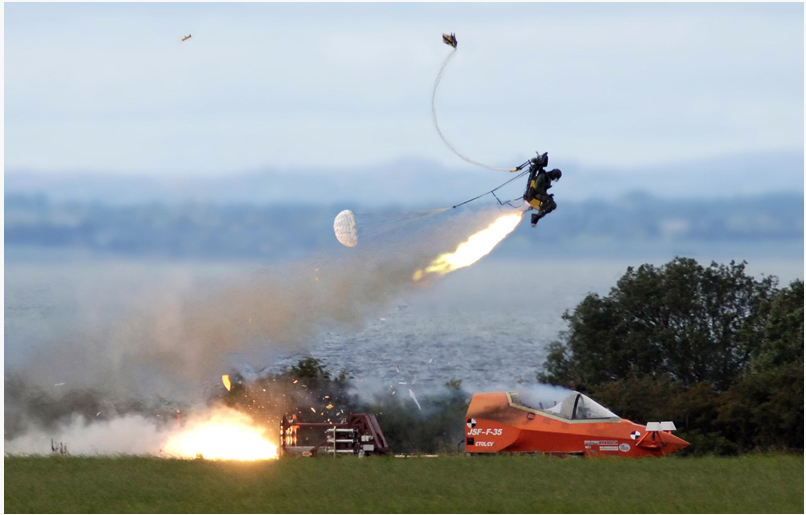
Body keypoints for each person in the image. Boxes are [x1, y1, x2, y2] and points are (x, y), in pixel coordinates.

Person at [521, 152, 562, 227]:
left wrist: (547, 196)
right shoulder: (543, 176)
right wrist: (546, 196)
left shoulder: (546, 178)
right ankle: (536, 217)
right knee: (551, 204)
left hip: (537, 194)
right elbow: (537, 188)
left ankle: (537, 217)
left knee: (552, 205)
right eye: (555, 178)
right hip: (534, 195)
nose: (554, 179)